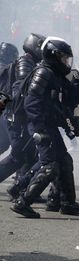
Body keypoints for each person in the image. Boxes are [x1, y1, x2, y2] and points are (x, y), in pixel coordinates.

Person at [10, 37, 79, 218]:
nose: (66, 62)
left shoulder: (56, 74)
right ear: (54, 55)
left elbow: (73, 93)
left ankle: (67, 203)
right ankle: (22, 202)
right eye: (64, 58)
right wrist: (39, 130)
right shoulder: (43, 73)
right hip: (41, 126)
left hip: (49, 125)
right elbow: (31, 103)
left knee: (65, 161)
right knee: (50, 166)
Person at [0, 33, 45, 191]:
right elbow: (19, 91)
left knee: (26, 152)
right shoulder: (24, 63)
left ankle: (22, 186)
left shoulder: (27, 64)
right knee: (19, 155)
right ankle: (21, 186)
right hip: (13, 115)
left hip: (9, 114)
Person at [0, 42, 18, 156]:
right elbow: (7, 92)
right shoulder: (7, 70)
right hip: (4, 109)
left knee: (4, 142)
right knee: (18, 146)